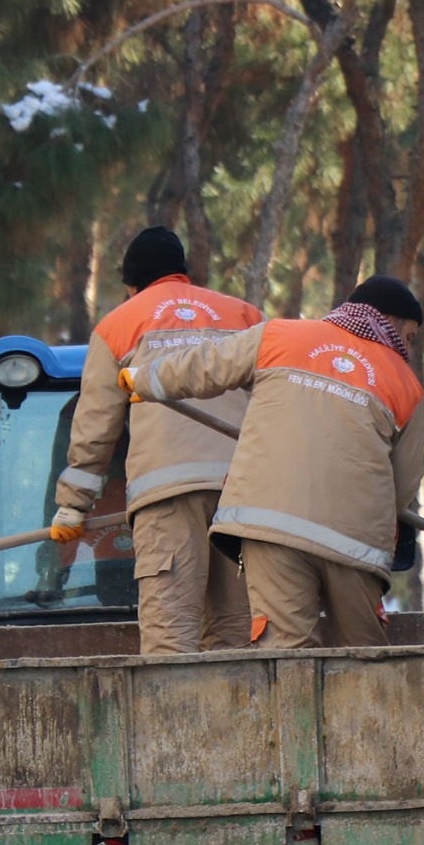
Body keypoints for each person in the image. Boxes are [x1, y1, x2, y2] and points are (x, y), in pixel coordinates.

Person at [124, 275, 424, 650]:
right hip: (354, 546)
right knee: (363, 656)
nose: (408, 350)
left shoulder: (278, 336)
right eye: (409, 337)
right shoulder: (408, 386)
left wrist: (143, 380)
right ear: (388, 321)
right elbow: (404, 484)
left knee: (286, 655)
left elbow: (205, 367)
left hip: (270, 529)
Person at [49, 226, 263, 654]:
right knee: (237, 635)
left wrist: (73, 506)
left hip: (167, 497)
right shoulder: (246, 317)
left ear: (131, 284)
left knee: (171, 638)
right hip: (242, 494)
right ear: (182, 272)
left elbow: (96, 426)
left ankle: (174, 720)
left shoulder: (119, 324)